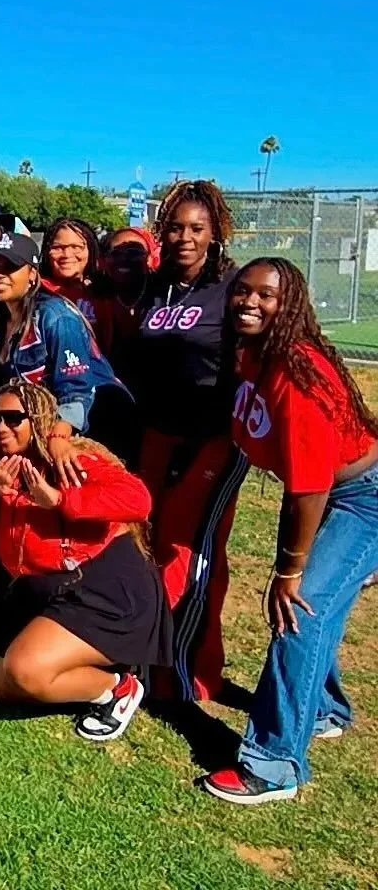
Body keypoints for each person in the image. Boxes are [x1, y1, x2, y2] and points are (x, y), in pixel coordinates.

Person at [199, 259, 378, 805]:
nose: (249, 302)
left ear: (291, 304)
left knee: (297, 611)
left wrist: (289, 569)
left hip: (361, 500)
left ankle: (273, 764)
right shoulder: (253, 353)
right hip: (328, 494)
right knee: (312, 607)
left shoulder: (296, 373)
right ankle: (323, 708)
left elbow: (308, 488)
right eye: (242, 292)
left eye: (267, 296)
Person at [0, 380, 170, 741]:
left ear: (39, 420)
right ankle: (77, 662)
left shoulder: (69, 460)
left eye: (14, 418)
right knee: (4, 684)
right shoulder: (1, 466)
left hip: (102, 588)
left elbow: (138, 500)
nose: (1, 428)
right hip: (51, 592)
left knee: (23, 671)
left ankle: (117, 687)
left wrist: (61, 501)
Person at [129, 180, 244, 702]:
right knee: (146, 541)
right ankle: (148, 652)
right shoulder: (157, 286)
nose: (184, 237)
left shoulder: (232, 286)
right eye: (175, 227)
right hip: (159, 434)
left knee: (193, 552)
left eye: (196, 228)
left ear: (215, 231)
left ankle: (192, 670)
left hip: (211, 438)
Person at [0, 231, 131, 471]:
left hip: (96, 426)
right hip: (44, 429)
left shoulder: (56, 316)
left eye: (11, 267)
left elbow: (76, 388)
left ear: (33, 275)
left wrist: (59, 436)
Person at [90, 227, 158, 389]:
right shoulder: (95, 298)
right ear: (104, 261)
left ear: (150, 258)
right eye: (115, 253)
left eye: (134, 251)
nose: (124, 258)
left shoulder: (164, 296)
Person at [38, 217, 101, 327]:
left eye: (76, 247)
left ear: (91, 251)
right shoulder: (35, 292)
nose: (67, 255)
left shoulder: (102, 292)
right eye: (57, 247)